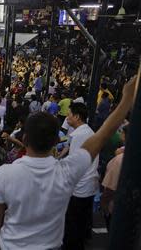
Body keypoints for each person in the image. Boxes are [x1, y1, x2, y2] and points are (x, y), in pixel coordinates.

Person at [0, 77, 136, 250]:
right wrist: (126, 99)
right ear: (56, 141)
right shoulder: (66, 171)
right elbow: (102, 135)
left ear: (25, 138)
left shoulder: (5, 173)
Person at [62, 103, 96, 250]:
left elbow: (75, 165)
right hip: (87, 185)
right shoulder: (86, 132)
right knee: (81, 222)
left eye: (69, 114)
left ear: (77, 117)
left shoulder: (79, 136)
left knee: (73, 226)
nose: (67, 117)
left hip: (80, 188)